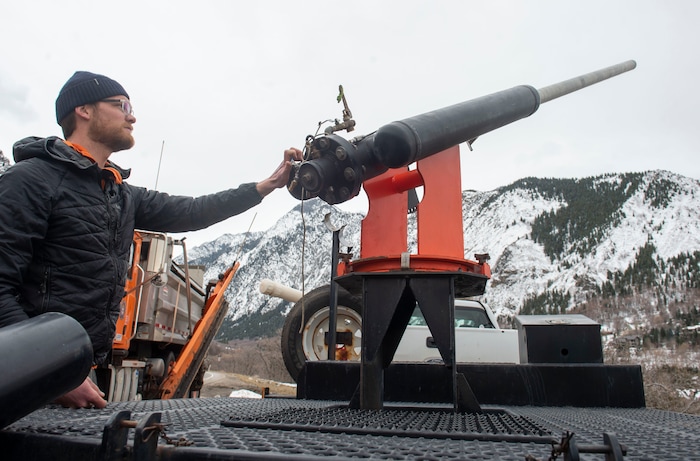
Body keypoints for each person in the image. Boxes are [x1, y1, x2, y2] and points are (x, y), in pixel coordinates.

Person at [0, 71, 302, 409]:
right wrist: (45, 373)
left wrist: (267, 185)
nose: (132, 115)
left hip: (78, 370)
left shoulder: (120, 194)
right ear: (83, 110)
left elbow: (194, 210)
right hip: (24, 377)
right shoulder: (29, 181)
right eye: (122, 105)